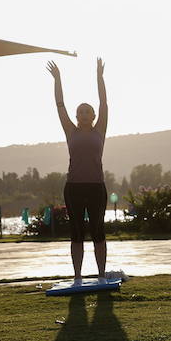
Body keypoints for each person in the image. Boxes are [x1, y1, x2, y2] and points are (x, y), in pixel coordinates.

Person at [48, 58, 109, 281]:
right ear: (76, 117)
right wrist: (58, 79)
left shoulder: (99, 130)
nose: (84, 114)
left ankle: (102, 275)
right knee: (76, 233)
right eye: (80, 112)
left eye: (87, 112)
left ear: (93, 117)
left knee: (98, 231)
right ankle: (77, 276)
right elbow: (60, 105)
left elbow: (103, 103)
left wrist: (99, 77)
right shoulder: (70, 131)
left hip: (96, 187)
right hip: (73, 187)